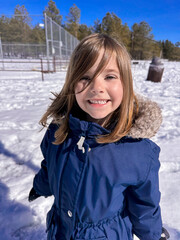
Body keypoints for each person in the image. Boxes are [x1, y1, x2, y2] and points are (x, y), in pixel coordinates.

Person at [29, 34, 169, 240]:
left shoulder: (139, 151)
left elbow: (145, 206)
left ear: (125, 83)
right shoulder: (58, 131)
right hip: (59, 232)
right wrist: (39, 186)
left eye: (110, 76)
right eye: (85, 77)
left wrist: (154, 235)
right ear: (72, 83)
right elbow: (49, 165)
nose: (96, 87)